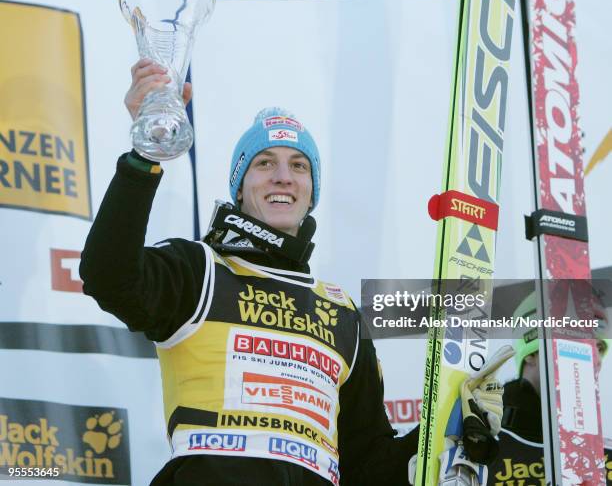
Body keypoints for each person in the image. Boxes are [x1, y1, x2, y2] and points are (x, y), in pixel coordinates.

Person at [80, 59, 501, 485]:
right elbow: (107, 275)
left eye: (299, 166)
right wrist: (143, 157)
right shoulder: (198, 270)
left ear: (311, 191)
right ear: (239, 186)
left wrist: (445, 433)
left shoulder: (343, 315)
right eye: (264, 163)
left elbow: (367, 466)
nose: (283, 177)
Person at [489, 291, 612, 485]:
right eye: (577, 342)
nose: (595, 358)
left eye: (600, 347)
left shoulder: (606, 457)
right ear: (531, 352)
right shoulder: (482, 449)